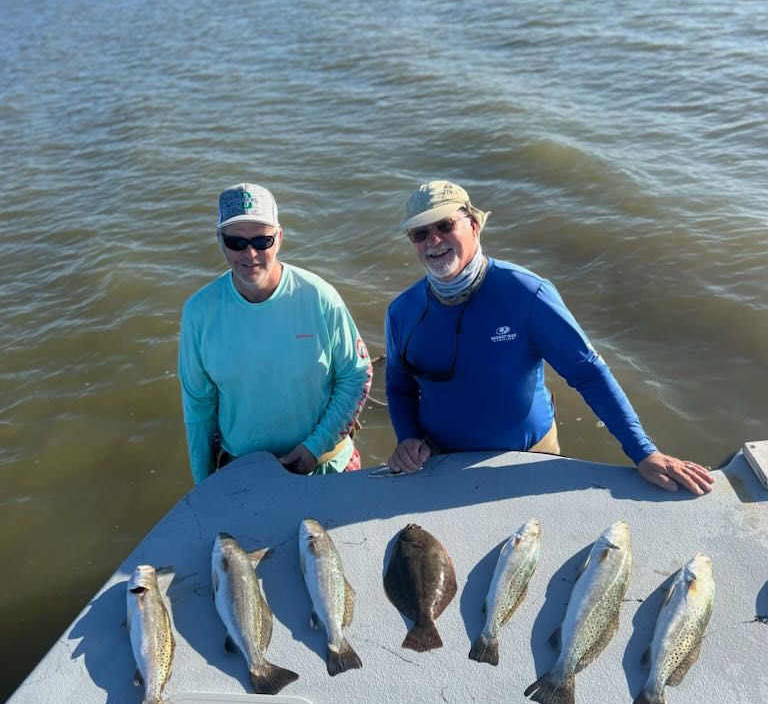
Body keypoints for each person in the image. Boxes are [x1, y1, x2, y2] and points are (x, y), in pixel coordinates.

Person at [384, 180, 713, 496]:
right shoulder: (402, 312)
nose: (433, 240)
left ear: (473, 225)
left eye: (444, 225)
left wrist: (643, 451)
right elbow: (400, 387)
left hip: (531, 457)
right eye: (420, 233)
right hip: (442, 460)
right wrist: (408, 438)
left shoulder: (528, 294)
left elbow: (588, 373)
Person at [179, 182, 372, 484]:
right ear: (220, 240)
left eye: (262, 241)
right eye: (236, 242)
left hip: (326, 464)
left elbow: (357, 374)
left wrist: (315, 446)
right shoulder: (198, 312)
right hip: (245, 473)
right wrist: (203, 486)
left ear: (279, 238)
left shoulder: (319, 296)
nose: (250, 253)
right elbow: (198, 408)